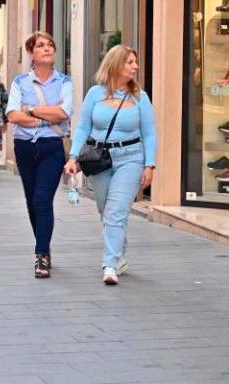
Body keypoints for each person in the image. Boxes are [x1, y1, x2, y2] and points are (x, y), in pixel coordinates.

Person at [65, 45, 157, 285]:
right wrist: (73, 157)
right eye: (130, 62)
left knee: (116, 212)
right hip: (99, 160)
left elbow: (149, 134)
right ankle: (120, 253)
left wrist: (150, 165)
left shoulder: (140, 97)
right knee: (106, 210)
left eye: (135, 62)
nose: (135, 66)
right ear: (115, 65)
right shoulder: (95, 93)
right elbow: (83, 127)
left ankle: (109, 264)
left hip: (131, 158)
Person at [6, 31, 73, 279]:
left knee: (43, 199)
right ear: (31, 53)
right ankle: (43, 243)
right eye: (41, 45)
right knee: (31, 200)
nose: (47, 49)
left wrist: (31, 110)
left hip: (52, 147)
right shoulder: (20, 82)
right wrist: (44, 115)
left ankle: (41, 254)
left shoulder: (65, 81)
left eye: (50, 45)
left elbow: (64, 112)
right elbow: (13, 115)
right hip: (24, 148)